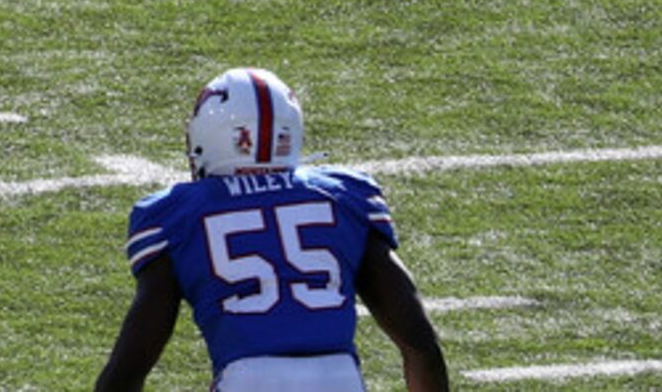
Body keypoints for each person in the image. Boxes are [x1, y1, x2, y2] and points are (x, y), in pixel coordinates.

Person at [96, 67, 450, 392]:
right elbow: (421, 346)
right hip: (340, 379)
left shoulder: (176, 213)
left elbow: (129, 369)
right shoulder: (343, 196)